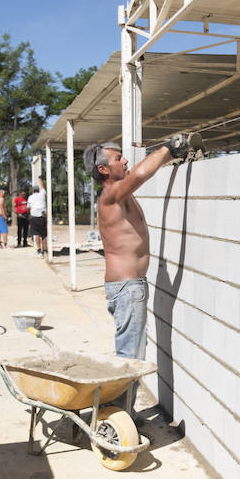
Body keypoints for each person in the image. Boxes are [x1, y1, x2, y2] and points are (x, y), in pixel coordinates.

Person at [83, 134, 203, 420]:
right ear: (103, 170)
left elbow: (136, 175)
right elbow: (140, 173)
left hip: (128, 286)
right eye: (117, 158)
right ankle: (120, 417)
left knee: (131, 352)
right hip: (127, 287)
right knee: (130, 358)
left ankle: (121, 412)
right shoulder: (112, 195)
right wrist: (169, 149)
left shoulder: (120, 194)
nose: (125, 160)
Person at [27, 179, 48, 258]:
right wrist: (40, 179)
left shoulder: (30, 197)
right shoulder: (42, 194)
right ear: (38, 190)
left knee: (36, 234)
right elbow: (43, 187)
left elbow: (28, 208)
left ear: (33, 191)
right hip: (42, 217)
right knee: (43, 235)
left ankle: (39, 251)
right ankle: (45, 250)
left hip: (34, 217)